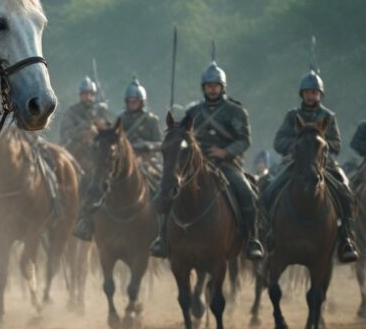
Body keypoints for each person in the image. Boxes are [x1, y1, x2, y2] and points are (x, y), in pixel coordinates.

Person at [150, 57, 265, 260]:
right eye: (209, 86)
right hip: (194, 165)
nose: (212, 90)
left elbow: (244, 140)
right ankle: (162, 237)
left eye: (216, 86)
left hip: (227, 164)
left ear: (222, 87)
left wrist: (225, 151)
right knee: (167, 189)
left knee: (246, 192)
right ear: (204, 88)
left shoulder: (235, 111)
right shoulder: (193, 112)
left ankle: (252, 239)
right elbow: (184, 137)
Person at [261, 70, 358, 263]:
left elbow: (336, 144)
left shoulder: (328, 116)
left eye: (314, 92)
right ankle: (269, 232)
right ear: (302, 94)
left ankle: (346, 238)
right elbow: (279, 141)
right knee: (268, 188)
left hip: (323, 164)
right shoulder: (292, 116)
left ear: (320, 95)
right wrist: (298, 148)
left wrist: (318, 150)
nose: (311, 95)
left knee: (346, 192)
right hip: (294, 163)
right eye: (307, 92)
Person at [72, 76, 159, 240]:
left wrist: (145, 146)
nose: (133, 104)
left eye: (136, 102)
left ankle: (162, 229)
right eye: (130, 101)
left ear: (142, 102)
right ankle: (88, 222)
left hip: (146, 161)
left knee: (159, 186)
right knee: (99, 184)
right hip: (124, 162)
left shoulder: (151, 121)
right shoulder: (120, 120)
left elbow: (159, 144)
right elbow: (112, 140)